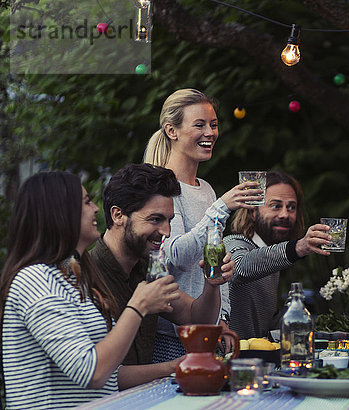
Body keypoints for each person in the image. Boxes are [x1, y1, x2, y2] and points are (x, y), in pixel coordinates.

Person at [0, 171, 179, 408]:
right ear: (59, 212)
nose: (95, 208)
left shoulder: (75, 275)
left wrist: (174, 368)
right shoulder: (35, 280)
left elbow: (110, 375)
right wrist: (138, 306)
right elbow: (92, 373)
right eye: (86, 202)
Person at [143, 89, 261, 361]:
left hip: (208, 333)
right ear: (172, 130)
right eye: (200, 125)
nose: (210, 132)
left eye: (214, 124)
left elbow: (213, 264)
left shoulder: (205, 188)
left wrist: (223, 319)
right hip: (172, 339)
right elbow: (172, 255)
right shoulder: (160, 186)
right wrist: (222, 207)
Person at [89, 163, 234, 384]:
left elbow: (197, 318)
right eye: (155, 219)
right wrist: (176, 366)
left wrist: (212, 284)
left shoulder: (151, 268)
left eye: (169, 220)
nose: (166, 232)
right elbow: (101, 375)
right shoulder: (86, 277)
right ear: (118, 215)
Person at [224, 170, 331, 339]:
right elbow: (239, 268)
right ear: (252, 211)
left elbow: (264, 327)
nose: (284, 214)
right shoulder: (234, 243)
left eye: (291, 207)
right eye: (275, 206)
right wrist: (298, 247)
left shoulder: (273, 258)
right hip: (229, 360)